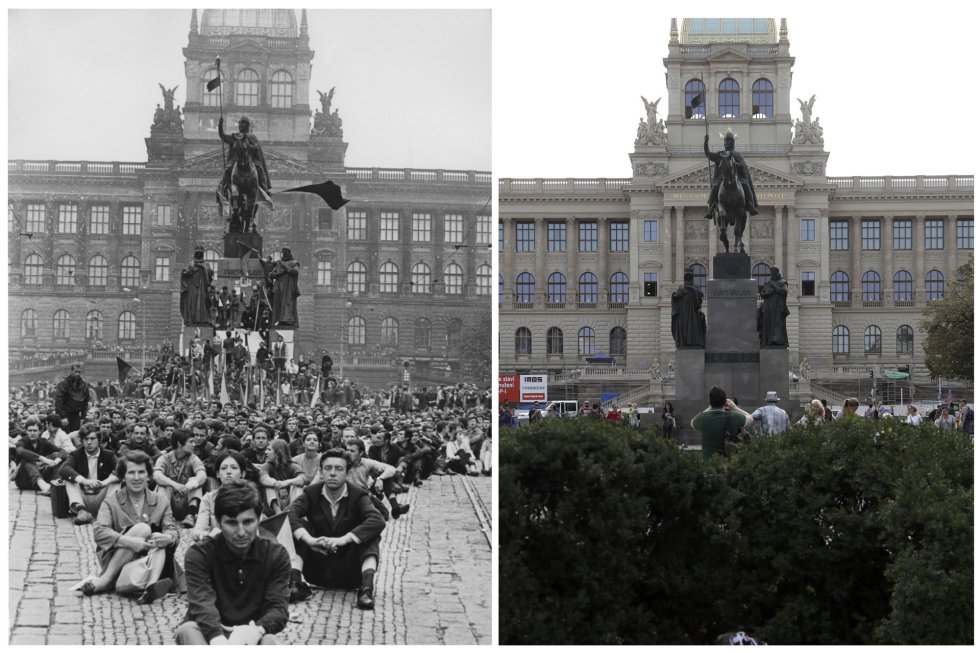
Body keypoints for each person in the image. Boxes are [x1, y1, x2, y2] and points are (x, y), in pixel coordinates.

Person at [177, 481, 290, 644]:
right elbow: (202, 602)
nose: (241, 532)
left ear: (259, 519)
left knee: (270, 641)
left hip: (252, 633)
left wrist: (256, 631)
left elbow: (278, 608)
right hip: (208, 633)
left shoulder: (276, 555)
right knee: (187, 630)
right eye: (231, 523)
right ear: (218, 522)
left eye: (248, 522)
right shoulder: (199, 554)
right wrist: (217, 638)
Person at [192, 452, 312, 604]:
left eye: (234, 468)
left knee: (281, 524)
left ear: (242, 473)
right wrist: (201, 533)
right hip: (221, 546)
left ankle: (294, 580)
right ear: (217, 473)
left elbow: (256, 525)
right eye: (224, 468)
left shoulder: (250, 496)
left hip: (248, 545)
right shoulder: (209, 498)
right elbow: (200, 527)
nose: (228, 471)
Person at [288, 448, 386, 610]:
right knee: (299, 527)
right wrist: (309, 539)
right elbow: (289, 513)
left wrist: (343, 539)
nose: (332, 473)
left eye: (339, 469)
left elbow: (378, 520)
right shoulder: (311, 493)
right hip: (317, 569)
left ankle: (367, 590)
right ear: (321, 472)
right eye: (328, 468)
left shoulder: (358, 495)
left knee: (369, 533)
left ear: (347, 473)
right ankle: (295, 583)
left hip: (351, 574)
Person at [84, 451, 181, 605]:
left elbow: (172, 529)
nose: (137, 478)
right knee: (143, 529)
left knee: (158, 538)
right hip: (118, 561)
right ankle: (106, 578)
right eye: (131, 473)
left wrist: (167, 538)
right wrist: (129, 542)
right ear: (123, 477)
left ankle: (151, 588)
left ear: (148, 476)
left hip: (150, 560)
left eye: (141, 472)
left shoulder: (161, 501)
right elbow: (99, 531)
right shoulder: (111, 501)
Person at [59, 426, 119, 525]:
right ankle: (81, 511)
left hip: (102, 496)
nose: (89, 442)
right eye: (86, 439)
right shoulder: (76, 454)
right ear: (81, 441)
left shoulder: (109, 455)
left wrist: (105, 482)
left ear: (99, 440)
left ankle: (106, 512)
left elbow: (121, 470)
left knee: (115, 482)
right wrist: (84, 481)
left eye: (92, 439)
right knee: (69, 480)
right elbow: (63, 469)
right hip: (82, 496)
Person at [153, 429, 208, 527]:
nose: (194, 444)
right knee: (162, 485)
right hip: (169, 503)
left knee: (195, 481)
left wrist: (189, 486)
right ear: (179, 443)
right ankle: (165, 517)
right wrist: (174, 484)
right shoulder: (165, 458)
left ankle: (190, 515)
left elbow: (202, 475)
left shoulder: (193, 458)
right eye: (191, 442)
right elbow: (156, 475)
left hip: (186, 501)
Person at [704, 132, 759, 220]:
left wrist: (735, 165)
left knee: (746, 186)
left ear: (732, 142)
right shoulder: (721, 154)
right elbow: (709, 155)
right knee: (714, 188)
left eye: (728, 140)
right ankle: (710, 210)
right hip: (723, 178)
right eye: (725, 140)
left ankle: (751, 206)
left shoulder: (737, 155)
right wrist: (706, 143)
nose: (726, 142)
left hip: (737, 177)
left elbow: (742, 166)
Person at [691, 385, 754, 462]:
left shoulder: (701, 418)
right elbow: (750, 418)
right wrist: (735, 408)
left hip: (708, 465)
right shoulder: (734, 417)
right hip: (728, 465)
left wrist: (709, 407)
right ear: (725, 402)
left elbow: (692, 422)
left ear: (709, 400)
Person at [218, 115, 271, 202]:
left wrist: (248, 146)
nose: (240, 125)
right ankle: (224, 189)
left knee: (260, 169)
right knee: (227, 170)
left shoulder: (252, 137)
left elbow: (257, 148)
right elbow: (222, 136)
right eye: (240, 123)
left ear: (247, 125)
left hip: (250, 159)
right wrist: (220, 124)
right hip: (235, 160)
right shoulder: (234, 137)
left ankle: (265, 189)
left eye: (242, 123)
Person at [13, 419, 69, 496]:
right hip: (25, 481)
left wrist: (56, 460)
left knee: (57, 456)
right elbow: (21, 451)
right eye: (30, 430)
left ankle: (56, 484)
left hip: (43, 478)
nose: (32, 433)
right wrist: (42, 458)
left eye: (35, 430)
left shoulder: (43, 442)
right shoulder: (22, 442)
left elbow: (63, 451)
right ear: (26, 431)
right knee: (26, 459)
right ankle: (45, 486)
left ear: (40, 431)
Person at [671, 270, 706, 348]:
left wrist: (692, 289)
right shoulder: (681, 287)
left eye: (689, 276)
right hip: (684, 311)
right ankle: (684, 342)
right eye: (687, 276)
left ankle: (695, 342)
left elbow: (701, 294)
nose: (688, 278)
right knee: (684, 328)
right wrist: (675, 295)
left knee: (694, 327)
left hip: (693, 311)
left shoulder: (695, 287)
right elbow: (676, 296)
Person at [180, 249, 214, 327]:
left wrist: (203, 267)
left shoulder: (206, 264)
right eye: (197, 253)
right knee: (192, 304)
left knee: (203, 304)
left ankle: (204, 320)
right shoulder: (191, 264)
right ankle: (192, 320)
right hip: (192, 287)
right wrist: (184, 273)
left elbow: (209, 275)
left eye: (200, 253)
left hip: (202, 287)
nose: (198, 254)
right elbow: (187, 273)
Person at [55, 363, 91, 432]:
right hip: (66, 415)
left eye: (79, 372)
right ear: (71, 371)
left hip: (77, 415)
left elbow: (86, 401)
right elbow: (59, 401)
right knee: (66, 435)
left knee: (76, 434)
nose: (77, 374)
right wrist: (63, 416)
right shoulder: (63, 384)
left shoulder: (84, 385)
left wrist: (83, 416)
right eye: (75, 372)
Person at [759, 267, 790, 347]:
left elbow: (784, 292)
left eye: (773, 271)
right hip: (768, 306)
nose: (772, 273)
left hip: (778, 307)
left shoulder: (783, 282)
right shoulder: (769, 282)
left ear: (777, 272)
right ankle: (768, 341)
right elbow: (762, 294)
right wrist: (768, 293)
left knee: (777, 323)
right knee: (768, 323)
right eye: (771, 271)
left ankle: (778, 341)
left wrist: (774, 286)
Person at [270, 248, 300, 328]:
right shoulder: (279, 263)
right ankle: (277, 320)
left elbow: (295, 272)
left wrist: (287, 268)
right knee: (278, 302)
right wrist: (274, 275)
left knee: (288, 303)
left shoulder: (294, 262)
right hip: (279, 285)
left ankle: (288, 321)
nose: (284, 254)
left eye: (285, 252)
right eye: (283, 252)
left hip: (288, 286)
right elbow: (274, 273)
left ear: (289, 253)